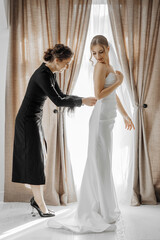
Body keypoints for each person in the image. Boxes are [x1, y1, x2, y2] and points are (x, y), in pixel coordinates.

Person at [48, 35, 135, 232]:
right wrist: (119, 82)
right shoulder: (100, 67)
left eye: (101, 52)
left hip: (109, 120)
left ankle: (104, 207)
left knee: (104, 162)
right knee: (98, 162)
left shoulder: (110, 67)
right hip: (100, 120)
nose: (97, 57)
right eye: (94, 53)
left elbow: (113, 95)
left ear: (108, 48)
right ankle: (99, 209)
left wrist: (125, 115)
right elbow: (99, 95)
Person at [12, 44, 97, 217]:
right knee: (36, 162)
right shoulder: (43, 75)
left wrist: (82, 100)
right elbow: (58, 101)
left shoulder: (50, 73)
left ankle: (37, 200)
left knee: (39, 159)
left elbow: (62, 95)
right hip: (27, 122)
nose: (67, 68)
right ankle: (40, 205)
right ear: (56, 60)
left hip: (33, 120)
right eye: (66, 64)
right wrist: (82, 101)